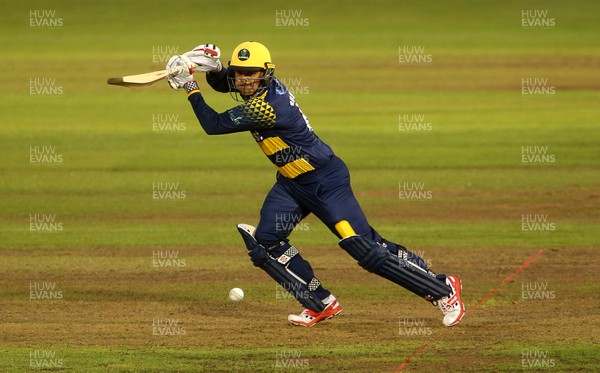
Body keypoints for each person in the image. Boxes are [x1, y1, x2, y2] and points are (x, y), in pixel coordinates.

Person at [165, 42, 465, 327]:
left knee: (366, 249)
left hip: (325, 181)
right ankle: (320, 302)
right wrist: (213, 69)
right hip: (291, 183)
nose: (243, 81)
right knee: (266, 242)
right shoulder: (255, 85)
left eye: (250, 74)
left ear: (264, 73)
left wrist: (190, 86)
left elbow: (213, 125)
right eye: (239, 73)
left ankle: (442, 289)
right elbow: (225, 84)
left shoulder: (269, 105)